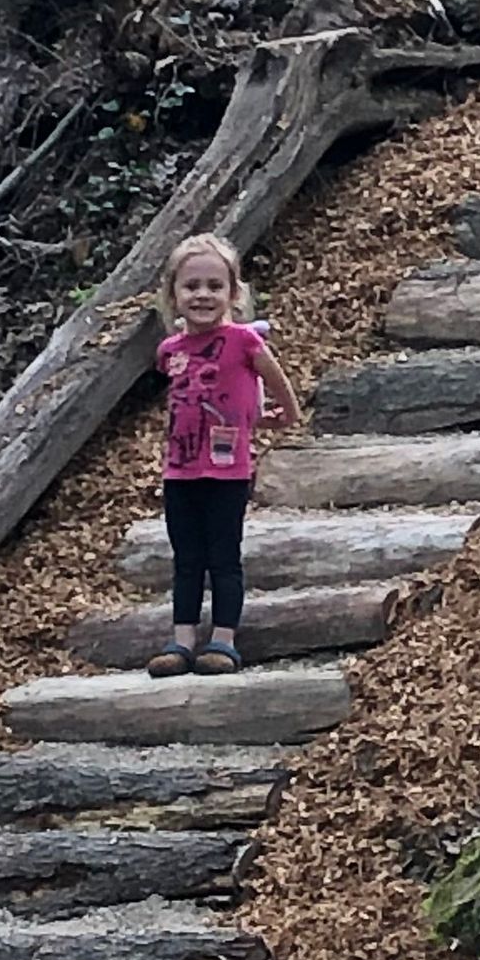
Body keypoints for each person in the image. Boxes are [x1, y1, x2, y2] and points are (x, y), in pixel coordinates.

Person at [147, 232, 302, 677]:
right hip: (179, 472)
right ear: (173, 295)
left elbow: (274, 382)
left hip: (228, 471)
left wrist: (280, 416)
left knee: (223, 555)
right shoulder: (169, 351)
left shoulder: (243, 342)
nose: (203, 295)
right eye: (191, 286)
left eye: (215, 286)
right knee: (186, 558)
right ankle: (181, 641)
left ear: (233, 294)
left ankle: (224, 640)